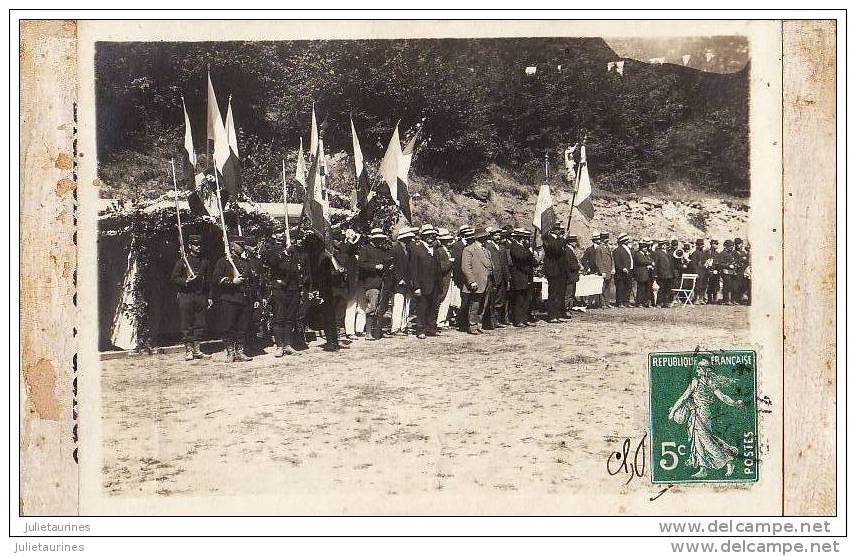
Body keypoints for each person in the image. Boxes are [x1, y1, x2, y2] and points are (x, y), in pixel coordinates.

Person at [668, 358, 745, 478]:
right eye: (698, 367)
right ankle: (703, 468)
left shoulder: (698, 382)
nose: (698, 370)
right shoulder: (709, 382)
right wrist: (734, 403)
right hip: (701, 412)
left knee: (706, 440)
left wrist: (673, 411)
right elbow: (723, 397)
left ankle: (728, 460)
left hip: (701, 412)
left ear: (705, 370)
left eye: (700, 367)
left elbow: (684, 397)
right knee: (701, 439)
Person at [211, 237, 256, 362]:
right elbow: (216, 279)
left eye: (243, 245)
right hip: (229, 298)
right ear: (231, 245)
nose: (242, 247)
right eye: (239, 245)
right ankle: (230, 352)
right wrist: (232, 281)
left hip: (244, 298)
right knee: (228, 327)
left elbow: (251, 279)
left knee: (242, 327)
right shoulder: (223, 262)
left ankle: (240, 351)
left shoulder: (245, 262)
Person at [263, 224, 305, 357]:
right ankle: (279, 346)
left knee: (290, 318)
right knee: (279, 317)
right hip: (279, 288)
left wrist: (301, 287)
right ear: (273, 235)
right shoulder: (271, 250)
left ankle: (288, 344)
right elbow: (273, 262)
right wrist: (285, 252)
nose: (282, 234)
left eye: (283, 232)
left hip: (293, 288)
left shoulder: (293, 251)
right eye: (278, 232)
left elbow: (298, 269)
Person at [170, 234, 211, 361]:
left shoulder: (205, 261)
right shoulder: (183, 261)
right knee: (186, 324)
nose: (198, 247)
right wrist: (186, 281)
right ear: (189, 246)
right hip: (186, 296)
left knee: (200, 323)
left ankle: (197, 350)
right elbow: (174, 278)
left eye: (199, 245)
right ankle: (188, 350)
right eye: (195, 245)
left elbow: (209, 280)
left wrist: (210, 297)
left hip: (200, 296)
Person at [409, 224, 442, 339]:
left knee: (433, 307)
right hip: (423, 285)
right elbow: (413, 270)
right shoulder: (417, 250)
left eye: (432, 235)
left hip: (435, 284)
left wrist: (440, 285)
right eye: (427, 235)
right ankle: (420, 330)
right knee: (422, 307)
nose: (430, 237)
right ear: (422, 236)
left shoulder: (435, 249)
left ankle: (431, 328)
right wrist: (416, 286)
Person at [358, 228, 391, 340]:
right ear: (372, 239)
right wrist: (374, 266)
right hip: (371, 283)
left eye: (381, 239)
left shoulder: (382, 250)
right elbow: (361, 264)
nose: (380, 241)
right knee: (372, 308)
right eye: (377, 239)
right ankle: (368, 333)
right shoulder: (365, 249)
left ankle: (377, 330)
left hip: (383, 282)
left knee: (381, 308)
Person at [460, 228, 494, 334]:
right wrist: (471, 281)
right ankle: (472, 325)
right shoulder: (469, 249)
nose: (487, 239)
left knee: (484, 303)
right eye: (485, 237)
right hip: (476, 282)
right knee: (475, 304)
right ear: (480, 238)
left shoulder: (487, 250)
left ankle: (478, 323)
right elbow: (466, 267)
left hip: (487, 281)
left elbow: (490, 265)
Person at [389, 227, 415, 336]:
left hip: (407, 282)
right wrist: (399, 279)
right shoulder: (395, 250)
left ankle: (403, 326)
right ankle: (395, 328)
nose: (409, 240)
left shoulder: (408, 250)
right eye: (408, 238)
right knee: (398, 304)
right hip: (398, 283)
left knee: (406, 304)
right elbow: (393, 267)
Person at [509, 228, 535, 327]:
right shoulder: (514, 247)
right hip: (519, 276)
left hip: (526, 275)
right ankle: (518, 320)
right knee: (519, 299)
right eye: (524, 238)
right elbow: (520, 258)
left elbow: (531, 262)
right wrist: (529, 251)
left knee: (526, 298)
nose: (526, 240)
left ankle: (524, 318)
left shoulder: (523, 248)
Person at [542, 223, 568, 323]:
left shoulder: (557, 239)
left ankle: (557, 314)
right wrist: (562, 240)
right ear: (554, 230)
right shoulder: (548, 239)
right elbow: (555, 250)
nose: (559, 231)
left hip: (559, 270)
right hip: (552, 270)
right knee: (553, 294)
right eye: (558, 229)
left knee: (559, 293)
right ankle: (552, 315)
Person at [484, 227, 509, 329]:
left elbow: (505, 264)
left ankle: (497, 320)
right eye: (496, 235)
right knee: (491, 300)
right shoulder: (487, 247)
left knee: (500, 300)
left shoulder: (502, 247)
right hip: (493, 277)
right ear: (491, 236)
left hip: (502, 277)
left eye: (499, 235)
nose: (498, 237)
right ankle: (490, 322)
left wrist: (507, 277)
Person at [451, 226, 473, 331]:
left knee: (468, 301)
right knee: (462, 302)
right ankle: (461, 323)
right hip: (460, 278)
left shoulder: (470, 245)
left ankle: (467, 322)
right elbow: (456, 264)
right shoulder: (457, 246)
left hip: (469, 277)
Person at [435, 228, 456, 329]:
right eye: (447, 241)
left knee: (447, 300)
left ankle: (444, 320)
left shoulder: (447, 251)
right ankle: (440, 321)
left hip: (449, 279)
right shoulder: (440, 251)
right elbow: (441, 268)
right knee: (443, 300)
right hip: (444, 279)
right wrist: (450, 262)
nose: (450, 242)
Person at [613, 233, 635, 308]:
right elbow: (617, 262)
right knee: (620, 287)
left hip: (629, 270)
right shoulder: (617, 250)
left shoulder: (629, 249)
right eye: (626, 240)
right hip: (621, 272)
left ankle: (626, 301)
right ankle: (619, 302)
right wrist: (622, 268)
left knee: (628, 286)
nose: (628, 241)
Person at [632, 240, 655, 308]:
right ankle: (639, 302)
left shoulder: (645, 254)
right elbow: (641, 262)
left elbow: (649, 260)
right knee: (641, 289)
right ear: (641, 248)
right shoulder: (638, 254)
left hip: (646, 274)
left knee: (646, 289)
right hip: (641, 274)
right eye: (644, 248)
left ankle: (645, 302)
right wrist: (650, 263)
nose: (646, 249)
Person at [653, 239, 675, 308]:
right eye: (666, 245)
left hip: (669, 274)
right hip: (661, 274)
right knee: (661, 289)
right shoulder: (657, 253)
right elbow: (656, 264)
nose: (667, 246)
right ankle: (659, 303)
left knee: (667, 289)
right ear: (663, 245)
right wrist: (655, 274)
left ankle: (665, 302)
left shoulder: (667, 253)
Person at [596, 233, 616, 308]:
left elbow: (612, 258)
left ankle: (607, 302)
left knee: (608, 287)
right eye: (606, 238)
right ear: (602, 239)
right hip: (604, 271)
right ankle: (603, 303)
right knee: (602, 287)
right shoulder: (599, 248)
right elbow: (598, 261)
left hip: (609, 270)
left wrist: (613, 268)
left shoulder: (608, 247)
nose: (607, 240)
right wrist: (602, 271)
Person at [564, 234, 582, 315]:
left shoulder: (570, 250)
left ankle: (569, 308)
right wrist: (578, 267)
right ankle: (565, 309)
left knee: (571, 293)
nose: (575, 243)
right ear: (571, 242)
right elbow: (569, 264)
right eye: (574, 241)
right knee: (568, 294)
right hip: (569, 275)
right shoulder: (567, 250)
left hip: (572, 275)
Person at [718, 239, 738, 305]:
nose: (731, 247)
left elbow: (735, 261)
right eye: (730, 246)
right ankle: (726, 300)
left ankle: (732, 299)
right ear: (726, 246)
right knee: (727, 286)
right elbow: (720, 264)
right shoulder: (722, 253)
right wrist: (729, 266)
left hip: (732, 272)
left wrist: (735, 265)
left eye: (732, 246)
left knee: (733, 286)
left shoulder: (732, 253)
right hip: (725, 272)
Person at [690, 239, 708, 305]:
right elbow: (693, 264)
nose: (702, 246)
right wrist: (696, 272)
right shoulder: (695, 253)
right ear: (697, 246)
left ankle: (701, 299)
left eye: (702, 245)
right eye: (700, 245)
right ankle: (695, 299)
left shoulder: (703, 253)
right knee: (697, 286)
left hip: (703, 271)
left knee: (703, 285)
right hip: (698, 272)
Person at [705, 239, 721, 304]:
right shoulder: (707, 252)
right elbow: (705, 262)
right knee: (709, 285)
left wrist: (717, 270)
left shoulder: (717, 253)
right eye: (715, 244)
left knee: (716, 285)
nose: (716, 245)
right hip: (709, 271)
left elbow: (719, 263)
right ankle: (709, 299)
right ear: (711, 244)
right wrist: (709, 270)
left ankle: (715, 299)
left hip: (716, 271)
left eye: (717, 244)